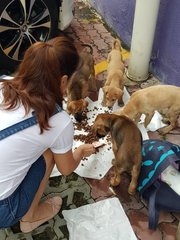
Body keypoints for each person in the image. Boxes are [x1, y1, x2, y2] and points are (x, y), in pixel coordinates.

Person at [0, 36, 95, 233]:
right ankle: (30, 218)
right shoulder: (58, 122)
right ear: (63, 81)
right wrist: (80, 152)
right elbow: (66, 168)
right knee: (50, 153)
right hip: (3, 210)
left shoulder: (3, 84)